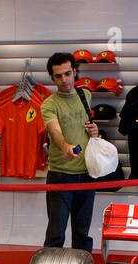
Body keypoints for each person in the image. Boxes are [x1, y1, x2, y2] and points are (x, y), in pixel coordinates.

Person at [41, 52, 101, 252]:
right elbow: (54, 130)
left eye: (68, 73)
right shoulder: (49, 104)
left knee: (82, 233)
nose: (64, 80)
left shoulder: (86, 95)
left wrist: (94, 130)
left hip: (87, 173)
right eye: (58, 76)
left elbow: (87, 127)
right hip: (60, 176)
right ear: (52, 77)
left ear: (75, 72)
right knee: (56, 234)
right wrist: (64, 146)